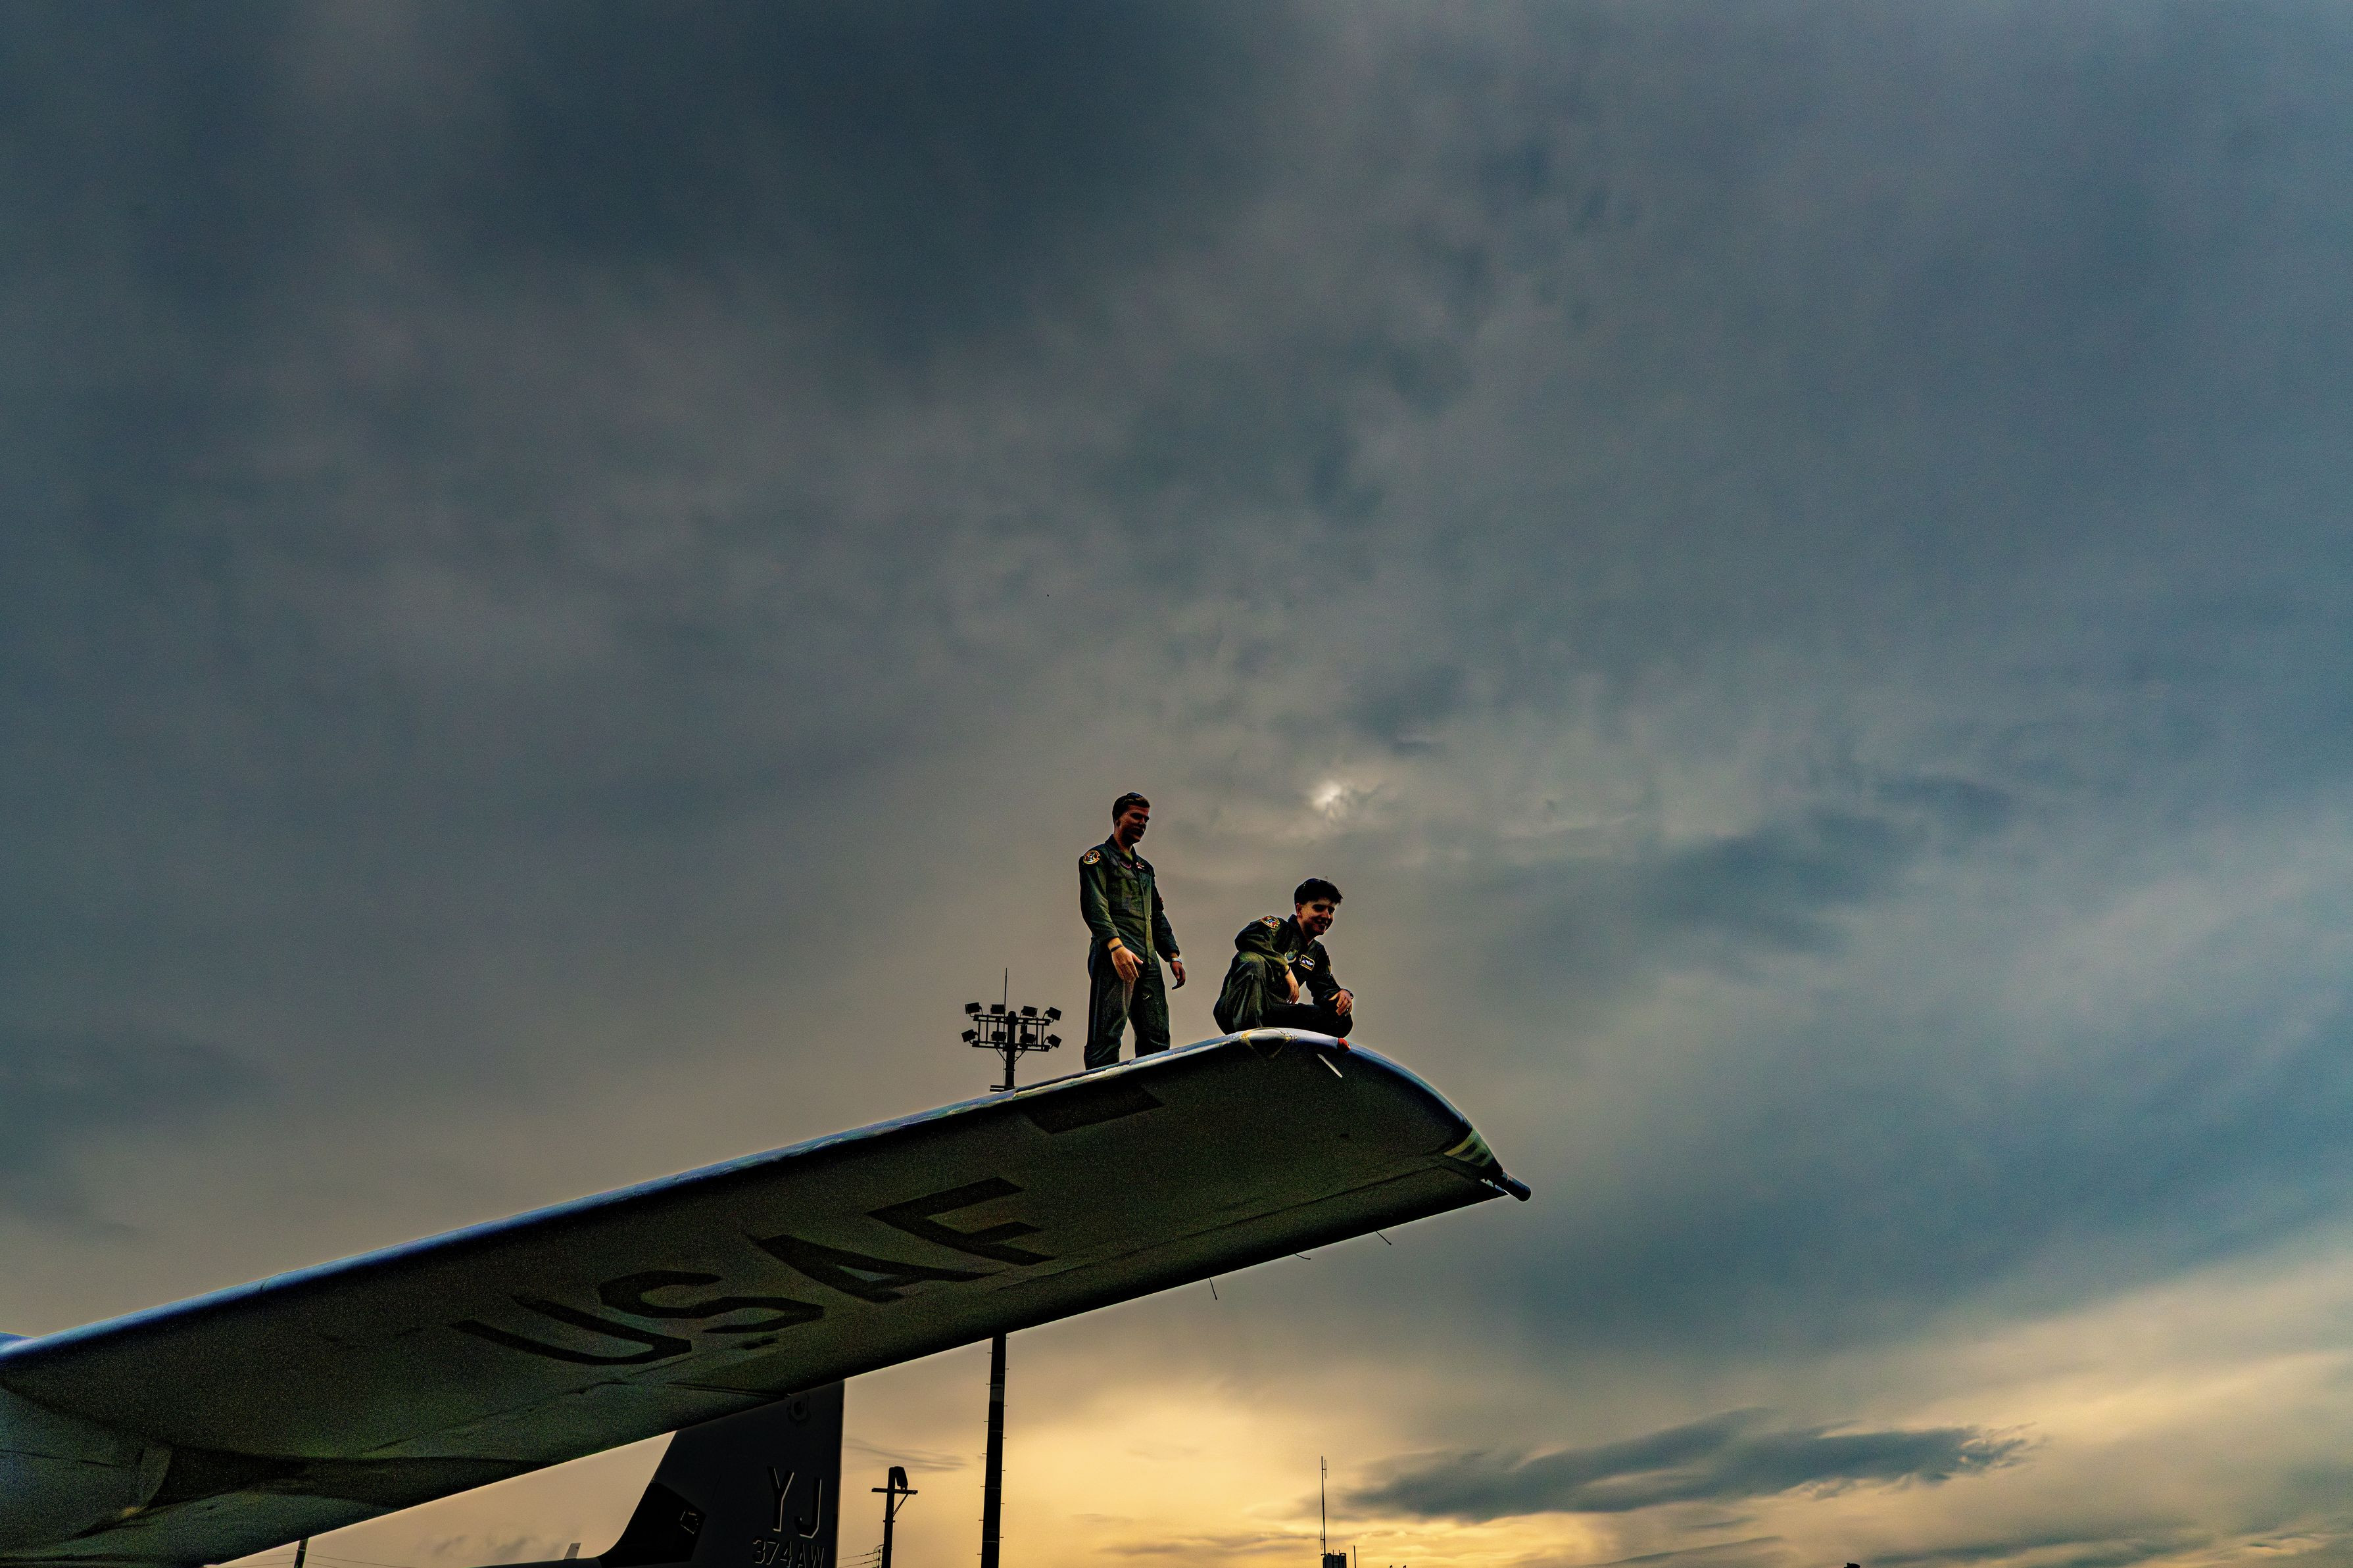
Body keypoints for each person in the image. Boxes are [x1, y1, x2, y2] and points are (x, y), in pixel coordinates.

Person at [1079, 792, 1186, 1069]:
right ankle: (1102, 1091)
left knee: (1157, 1036)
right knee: (1107, 1035)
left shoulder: (1144, 868)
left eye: (1146, 819)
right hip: (1115, 956)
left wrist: (1173, 955)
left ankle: (1152, 1090)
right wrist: (1115, 947)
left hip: (1148, 959)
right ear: (1118, 819)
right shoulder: (1098, 858)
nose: (1142, 823)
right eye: (1136, 817)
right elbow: (1094, 906)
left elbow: (1156, 914)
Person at [1212, 878, 1357, 1037]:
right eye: (1319, 908)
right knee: (1251, 960)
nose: (1326, 916)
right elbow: (1246, 937)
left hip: (1274, 1011)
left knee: (1340, 1018)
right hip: (1240, 1007)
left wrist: (1342, 995)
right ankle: (1250, 1034)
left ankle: (1293, 1043)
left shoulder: (1317, 952)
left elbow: (1324, 988)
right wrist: (1284, 968)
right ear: (1299, 910)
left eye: (1331, 911)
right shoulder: (1278, 928)